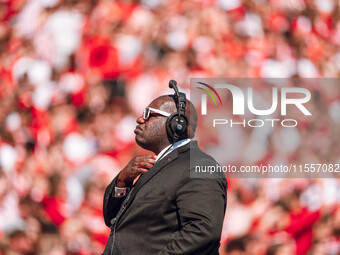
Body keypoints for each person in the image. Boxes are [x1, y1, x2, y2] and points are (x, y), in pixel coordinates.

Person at [102, 85, 227, 255]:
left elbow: (202, 232)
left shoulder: (198, 165)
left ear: (177, 123)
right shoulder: (160, 165)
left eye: (148, 114)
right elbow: (113, 220)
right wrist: (122, 182)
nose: (140, 119)